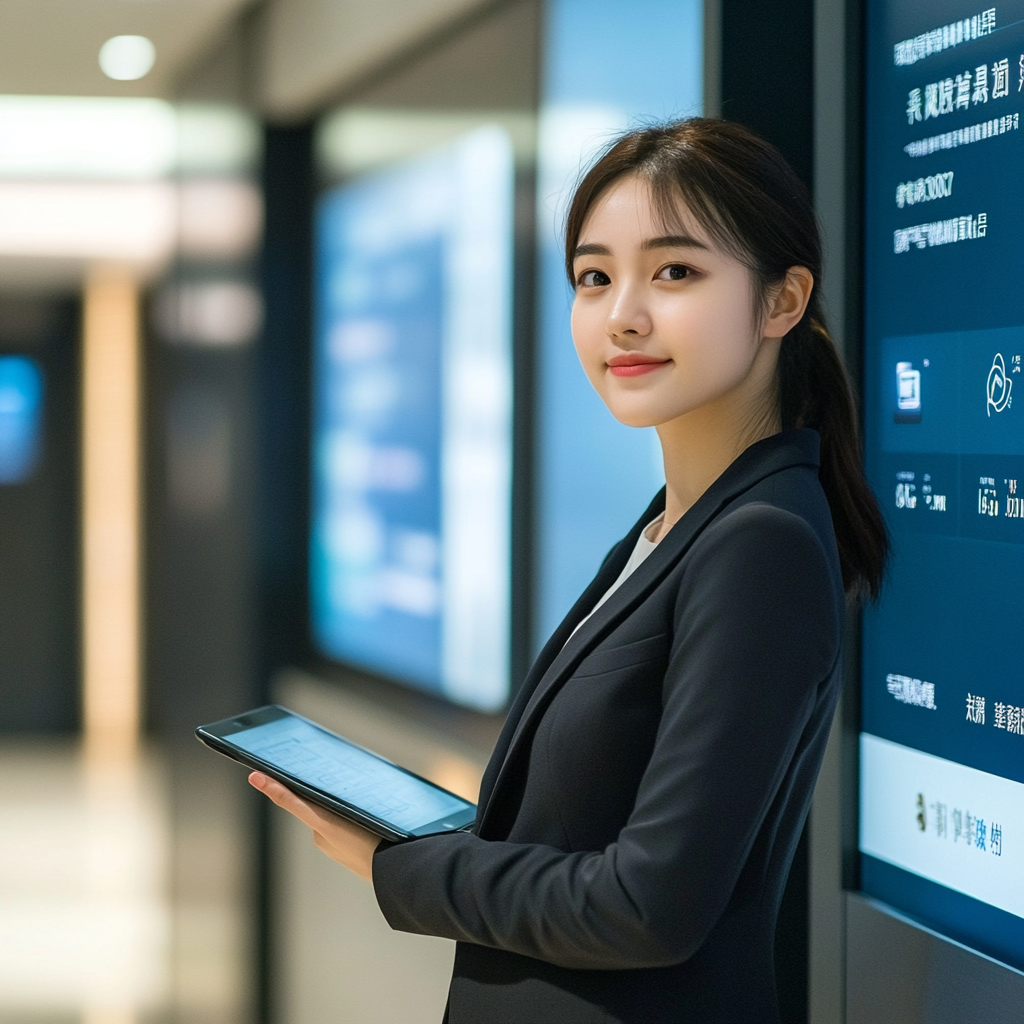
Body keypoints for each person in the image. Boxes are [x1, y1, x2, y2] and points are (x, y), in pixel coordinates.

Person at [249, 118, 888, 1023]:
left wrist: (404, 867)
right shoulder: (674, 527)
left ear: (783, 301)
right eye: (595, 277)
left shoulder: (761, 544)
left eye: (675, 272)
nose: (623, 313)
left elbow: (647, 907)